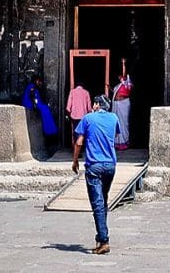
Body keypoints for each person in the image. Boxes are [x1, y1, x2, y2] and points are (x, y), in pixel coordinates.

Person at [72, 95, 120, 255]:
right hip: (110, 165)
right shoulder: (114, 118)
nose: (92, 105)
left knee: (98, 203)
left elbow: (79, 141)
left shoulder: (88, 118)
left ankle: (104, 240)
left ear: (98, 105)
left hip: (94, 165)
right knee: (103, 200)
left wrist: (75, 161)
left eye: (94, 103)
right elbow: (114, 136)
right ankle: (101, 237)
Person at [22, 74, 58, 140]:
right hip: (30, 103)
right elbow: (32, 96)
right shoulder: (32, 87)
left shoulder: (35, 88)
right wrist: (35, 105)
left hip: (36, 103)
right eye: (38, 81)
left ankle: (51, 130)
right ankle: (49, 130)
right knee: (45, 110)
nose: (39, 83)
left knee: (46, 109)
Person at [111, 62, 133, 151]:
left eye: (121, 77)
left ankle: (124, 143)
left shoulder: (127, 84)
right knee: (116, 123)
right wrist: (108, 87)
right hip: (117, 104)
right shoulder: (118, 86)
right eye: (119, 77)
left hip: (123, 104)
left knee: (123, 124)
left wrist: (123, 64)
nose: (120, 78)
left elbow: (124, 74)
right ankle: (117, 143)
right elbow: (114, 94)